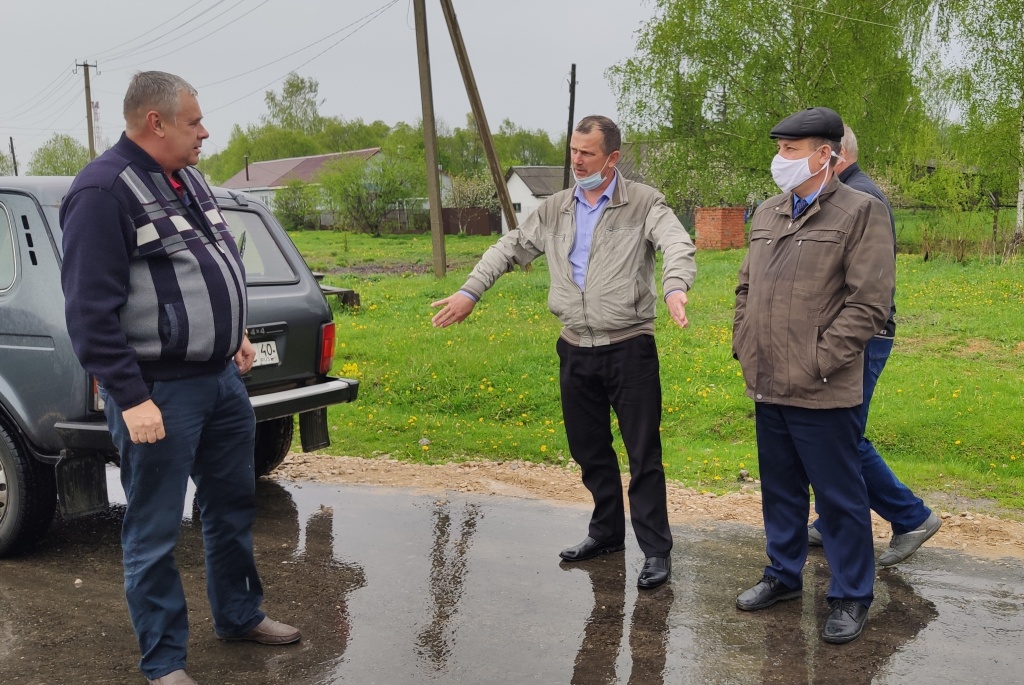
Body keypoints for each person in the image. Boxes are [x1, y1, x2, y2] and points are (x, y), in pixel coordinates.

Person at [60, 71, 300, 685]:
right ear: (155, 123)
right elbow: (89, 314)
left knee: (231, 506)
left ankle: (240, 615)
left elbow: (207, 263)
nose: (205, 131)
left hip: (219, 380)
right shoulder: (102, 192)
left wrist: (234, 333)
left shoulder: (187, 178)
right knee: (155, 528)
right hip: (157, 392)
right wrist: (131, 396)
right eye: (194, 121)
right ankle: (164, 663)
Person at [431, 115, 696, 590]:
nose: (576, 160)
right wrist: (470, 293)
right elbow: (509, 248)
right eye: (572, 150)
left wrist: (675, 286)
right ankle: (607, 533)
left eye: (587, 153)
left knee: (643, 455)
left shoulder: (643, 202)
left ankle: (656, 551)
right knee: (589, 449)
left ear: (612, 158)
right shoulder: (554, 208)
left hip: (629, 346)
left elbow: (676, 242)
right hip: (575, 348)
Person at [732, 107, 895, 644]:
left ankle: (850, 595)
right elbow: (745, 289)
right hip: (768, 379)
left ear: (825, 154)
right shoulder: (768, 213)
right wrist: (744, 341)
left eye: (792, 150)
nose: (781, 160)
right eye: (779, 149)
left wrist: (820, 360)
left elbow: (868, 305)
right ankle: (782, 574)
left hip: (823, 387)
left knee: (839, 496)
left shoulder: (860, 212)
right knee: (780, 490)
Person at [806, 125, 941, 565]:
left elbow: (866, 288)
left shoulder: (864, 199)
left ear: (835, 154)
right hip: (844, 333)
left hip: (862, 335)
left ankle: (911, 517)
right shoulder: (842, 193)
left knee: (843, 436)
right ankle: (831, 520)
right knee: (833, 432)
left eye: (808, 151)